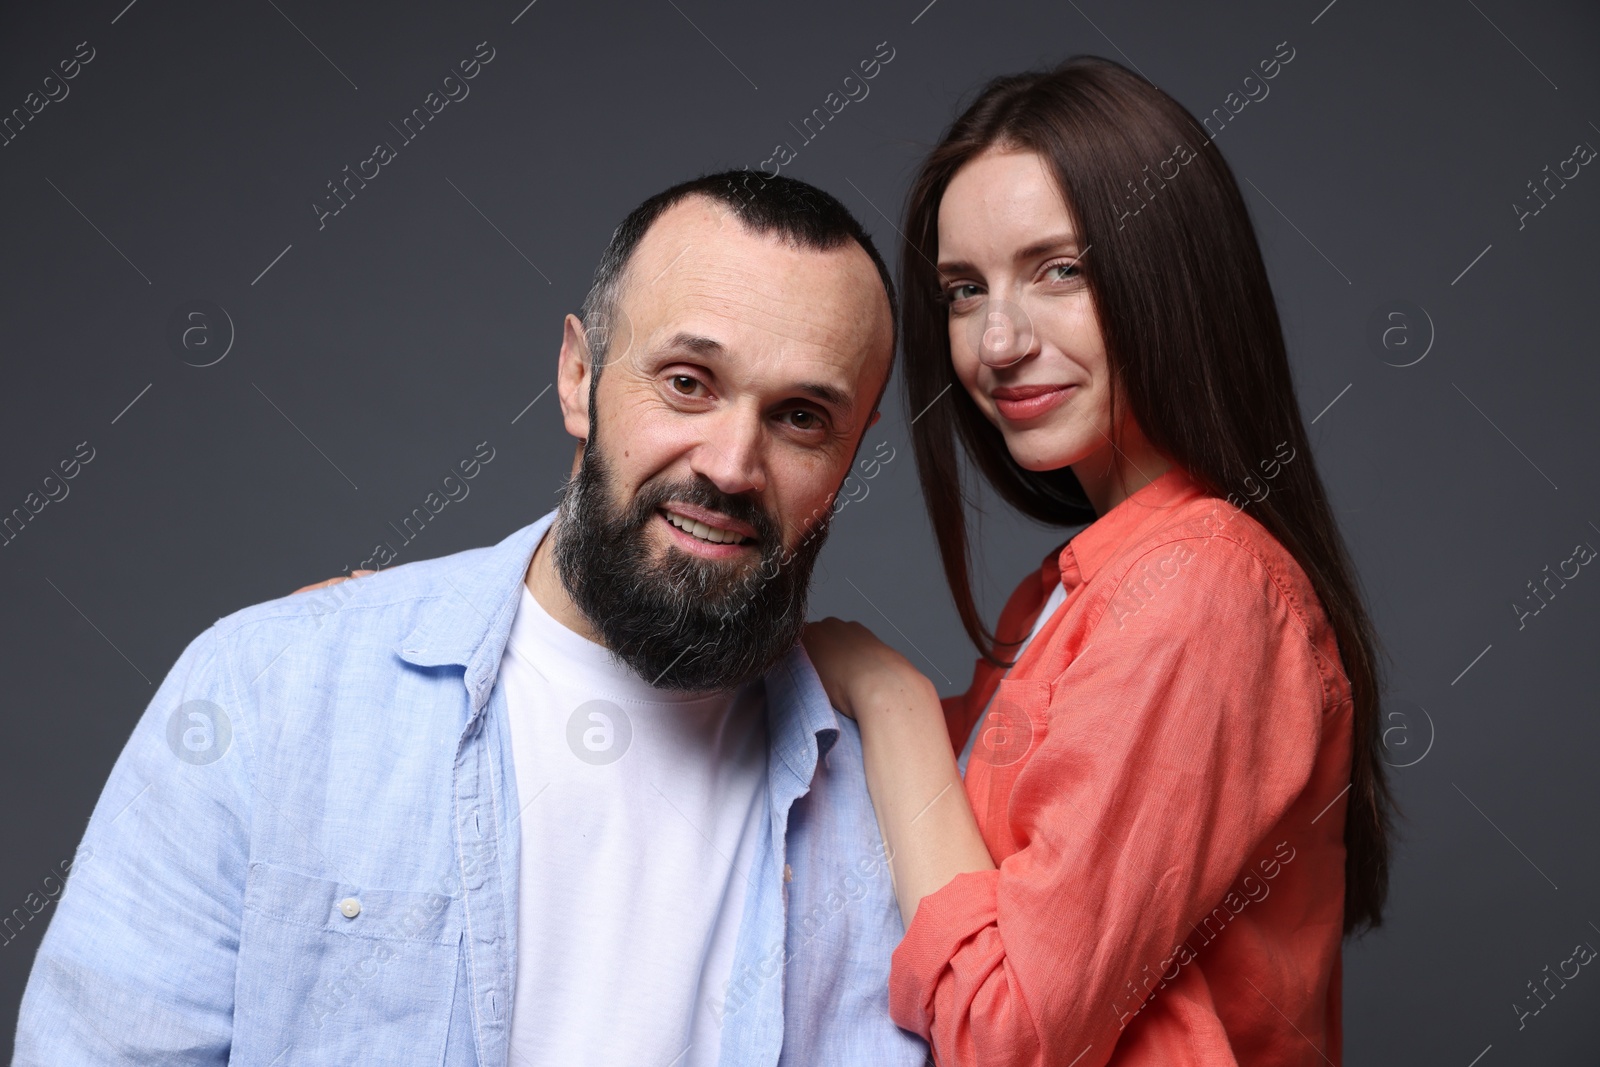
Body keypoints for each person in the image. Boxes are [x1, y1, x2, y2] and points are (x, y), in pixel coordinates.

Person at [13, 172, 929, 1067]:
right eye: (688, 381)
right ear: (579, 377)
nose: (731, 464)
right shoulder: (272, 689)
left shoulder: (902, 806)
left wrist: (897, 707)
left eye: (802, 417)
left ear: (851, 454)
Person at [803, 56, 1394, 1066]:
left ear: (1173, 271)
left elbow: (1011, 1032)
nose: (996, 340)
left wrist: (886, 693)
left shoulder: (1202, 584)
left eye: (1059, 270)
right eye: (961, 289)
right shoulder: (1081, 593)